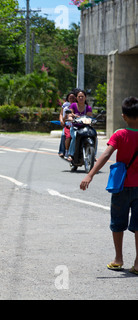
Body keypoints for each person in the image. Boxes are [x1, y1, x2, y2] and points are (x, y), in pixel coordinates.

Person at [80, 96, 138, 275]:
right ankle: (137, 263)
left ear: (124, 116)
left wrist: (90, 174)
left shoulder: (120, 134)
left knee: (117, 223)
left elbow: (105, 155)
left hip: (120, 187)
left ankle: (118, 259)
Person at [67, 90, 93, 162]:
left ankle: (93, 154)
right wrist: (70, 118)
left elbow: (89, 117)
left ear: (85, 97)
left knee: (94, 136)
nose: (81, 98)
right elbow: (70, 114)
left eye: (82, 96)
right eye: (79, 96)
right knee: (75, 136)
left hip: (85, 128)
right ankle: (70, 154)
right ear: (76, 98)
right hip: (75, 127)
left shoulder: (88, 107)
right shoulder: (73, 105)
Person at [58, 91, 77, 157]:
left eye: (73, 98)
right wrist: (61, 121)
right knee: (64, 136)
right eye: (70, 98)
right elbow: (61, 114)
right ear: (68, 98)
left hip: (75, 124)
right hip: (67, 124)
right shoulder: (65, 105)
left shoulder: (76, 105)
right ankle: (62, 151)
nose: (72, 99)